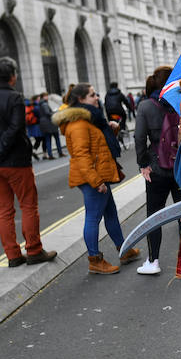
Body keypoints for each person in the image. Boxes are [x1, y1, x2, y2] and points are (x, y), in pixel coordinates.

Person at [0, 57, 57, 267]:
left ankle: (13, 255)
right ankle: (34, 250)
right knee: (28, 205)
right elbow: (15, 129)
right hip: (16, 162)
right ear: (12, 77)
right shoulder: (14, 98)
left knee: (4, 208)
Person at [53, 83, 141, 274]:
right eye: (92, 95)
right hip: (92, 177)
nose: (97, 97)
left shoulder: (90, 119)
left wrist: (111, 130)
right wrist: (96, 181)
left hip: (98, 173)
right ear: (81, 99)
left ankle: (124, 250)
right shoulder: (78, 124)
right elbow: (81, 156)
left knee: (111, 213)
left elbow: (98, 145)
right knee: (93, 218)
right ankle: (95, 260)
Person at [134, 65, 181, 275]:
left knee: (154, 216)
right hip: (180, 167)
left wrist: (143, 163)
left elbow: (139, 138)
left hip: (156, 168)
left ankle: (153, 261)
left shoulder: (146, 106)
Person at [36, 93, 63, 159]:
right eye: (46, 96)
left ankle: (50, 154)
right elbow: (47, 113)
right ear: (43, 97)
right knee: (56, 138)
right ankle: (60, 152)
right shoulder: (44, 104)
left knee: (48, 139)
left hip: (43, 124)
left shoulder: (39, 104)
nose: (47, 97)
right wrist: (55, 112)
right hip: (50, 123)